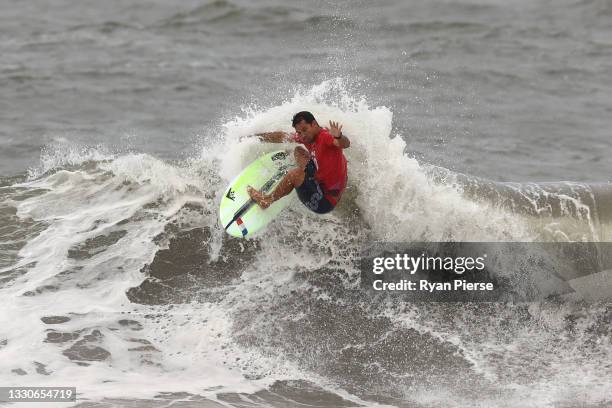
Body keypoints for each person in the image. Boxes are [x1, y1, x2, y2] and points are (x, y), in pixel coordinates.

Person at [247, 111, 350, 214]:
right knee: (298, 151)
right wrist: (255, 137)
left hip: (324, 201)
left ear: (314, 124)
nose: (303, 135)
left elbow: (344, 144)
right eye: (299, 132)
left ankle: (267, 200)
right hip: (323, 182)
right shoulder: (308, 137)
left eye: (305, 129)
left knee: (295, 174)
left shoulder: (326, 136)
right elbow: (282, 136)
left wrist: (339, 136)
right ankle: (301, 179)